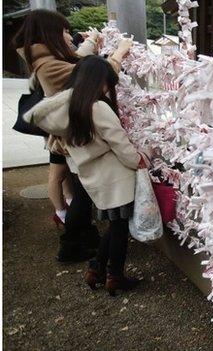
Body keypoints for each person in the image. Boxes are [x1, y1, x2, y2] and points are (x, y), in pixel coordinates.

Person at [12, 9, 132, 262]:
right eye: (64, 31)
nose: (69, 35)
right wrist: (119, 52)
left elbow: (79, 61)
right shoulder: (53, 67)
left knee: (76, 188)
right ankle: (74, 244)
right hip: (77, 137)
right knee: (81, 193)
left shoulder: (47, 59)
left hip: (71, 136)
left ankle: (84, 244)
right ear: (50, 33)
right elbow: (91, 73)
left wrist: (90, 42)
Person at [25, 56, 150, 296]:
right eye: (106, 83)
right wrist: (140, 159)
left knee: (115, 225)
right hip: (116, 177)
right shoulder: (97, 107)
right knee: (119, 229)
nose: (106, 89)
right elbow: (120, 145)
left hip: (93, 179)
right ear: (97, 80)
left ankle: (96, 268)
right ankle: (115, 276)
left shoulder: (67, 110)